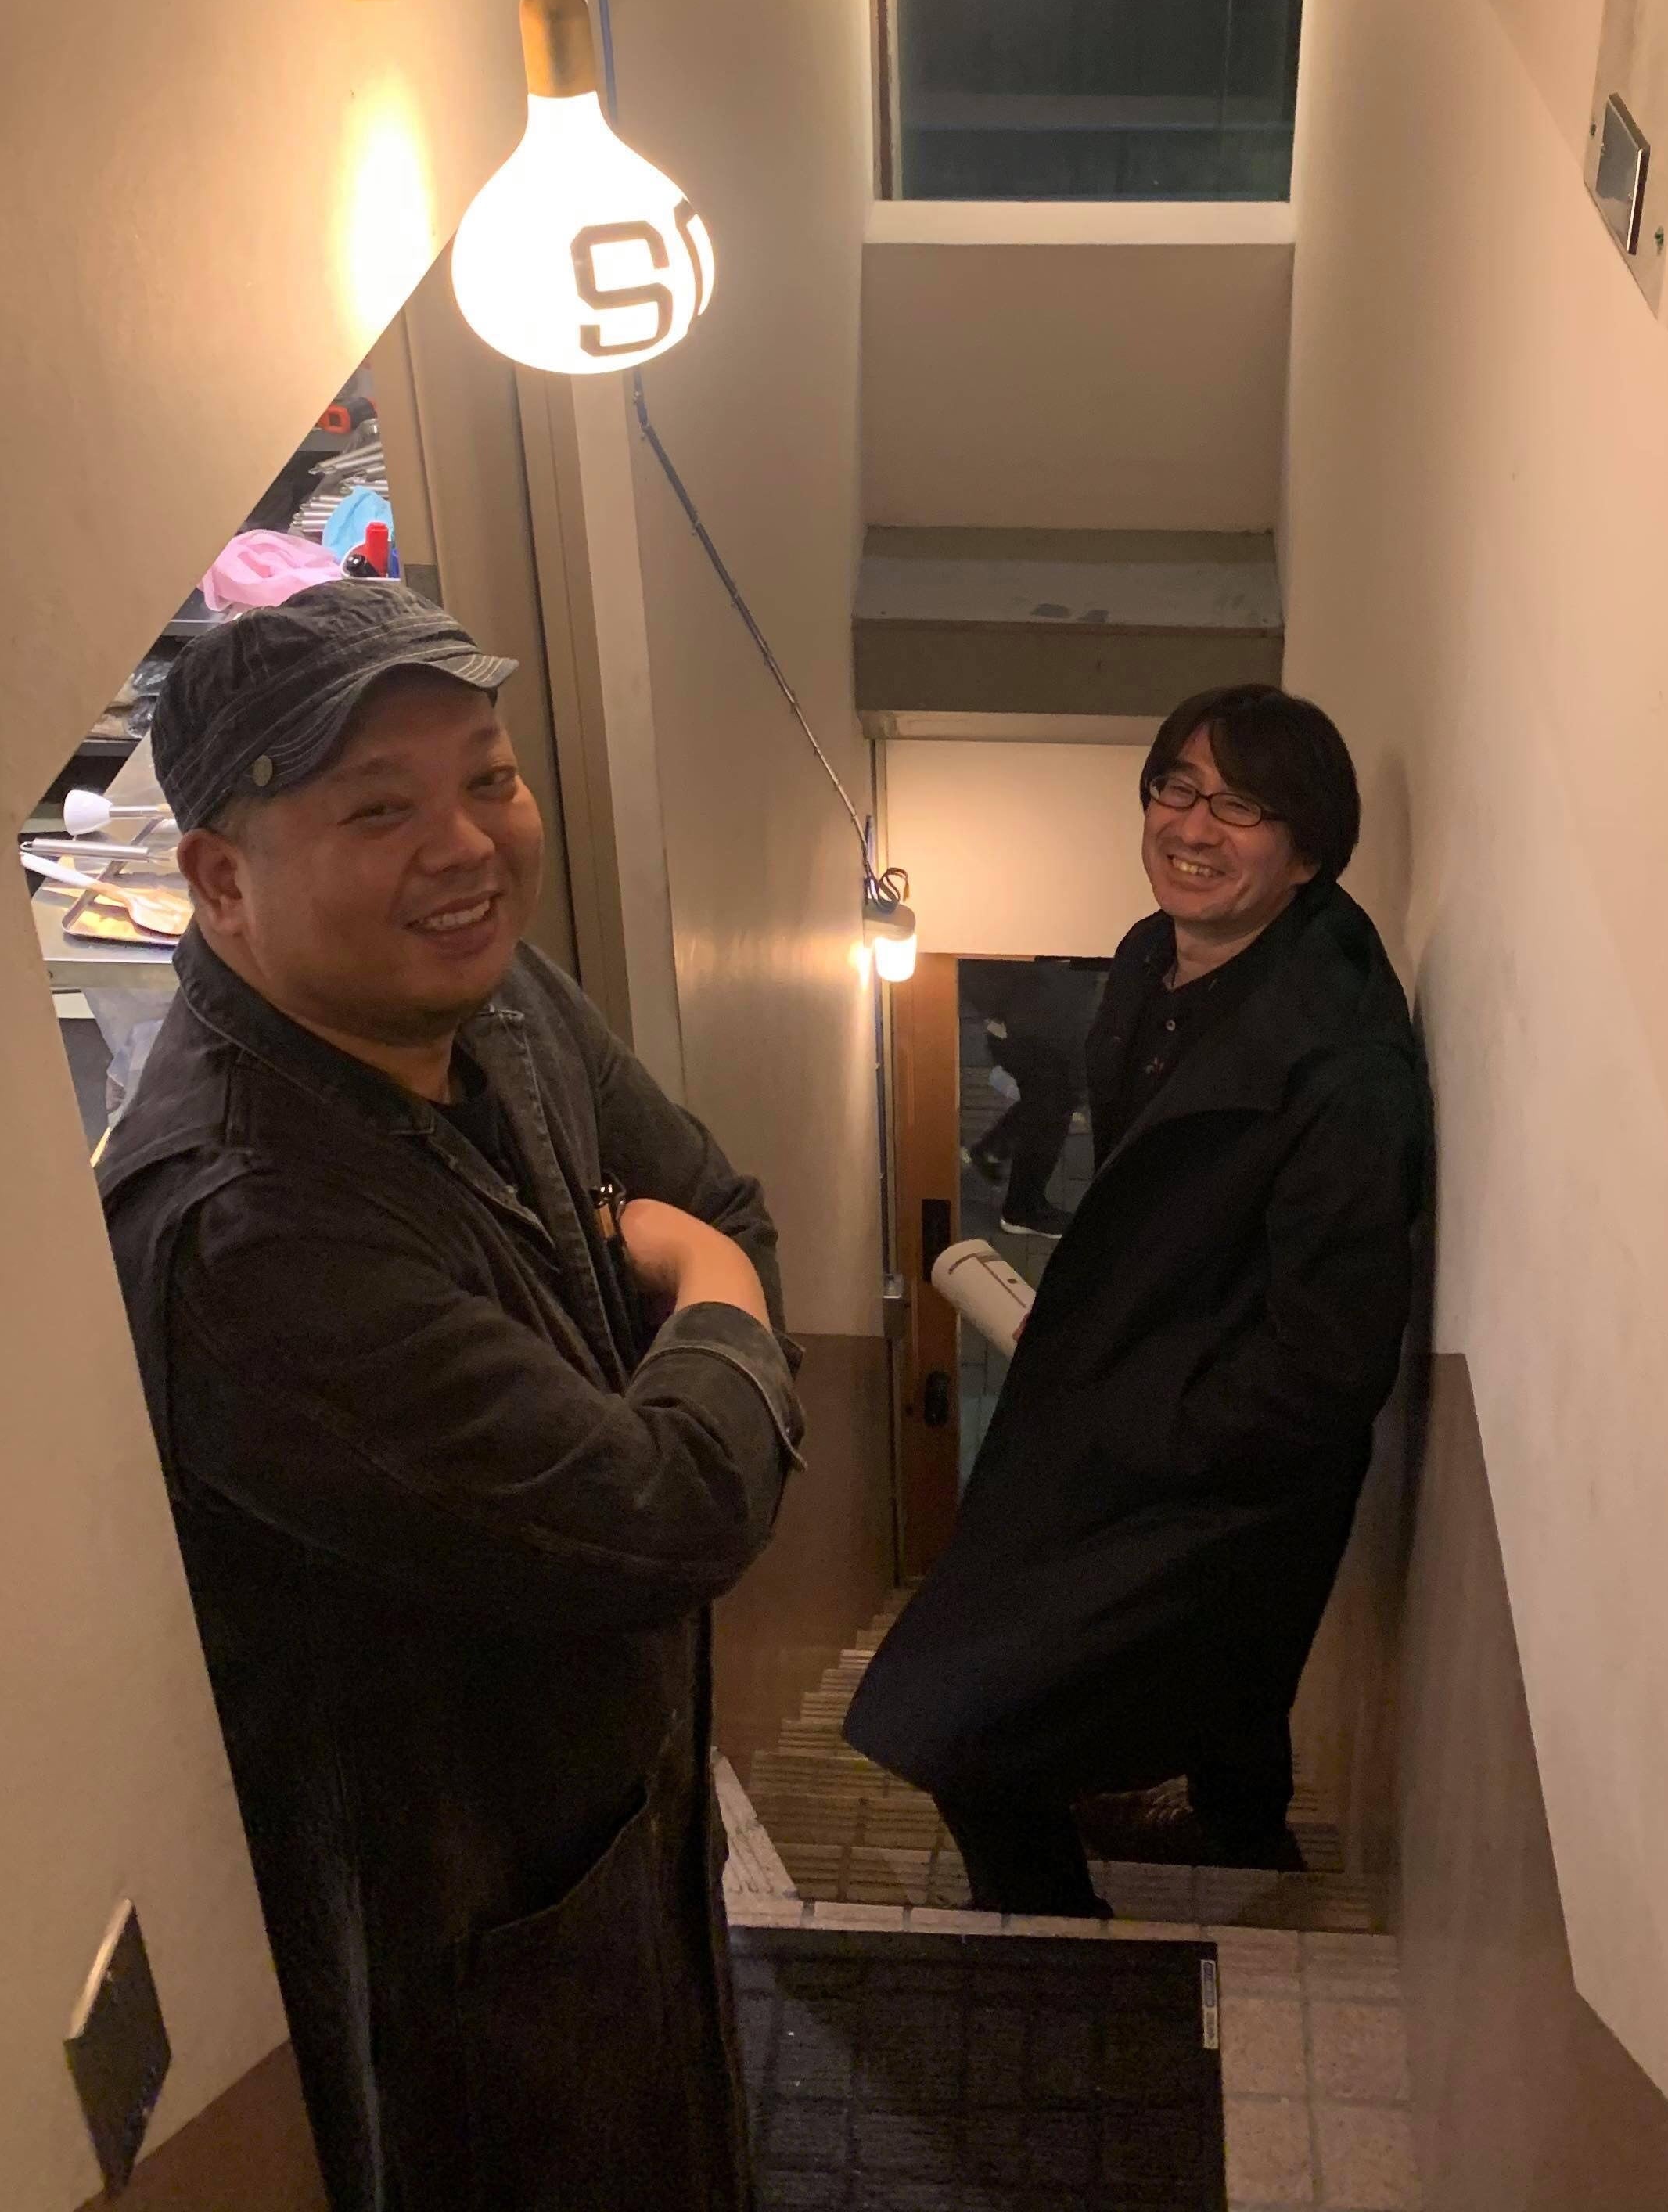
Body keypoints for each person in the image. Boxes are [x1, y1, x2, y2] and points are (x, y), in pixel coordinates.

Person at [97, 580, 802, 2212]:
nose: (467, 845)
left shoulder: (500, 997)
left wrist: (708, 1276)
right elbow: (668, 1510)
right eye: (379, 809)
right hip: (447, 1919)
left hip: (618, 1811)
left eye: (489, 777)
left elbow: (725, 1203)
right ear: (220, 879)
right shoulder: (248, 1232)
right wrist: (706, 1285)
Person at [845, 683, 1427, 1915]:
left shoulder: (1345, 1067)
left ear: (1309, 851)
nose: (1194, 827)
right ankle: (1241, 1848)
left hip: (1218, 1468)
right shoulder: (1148, 963)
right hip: (1135, 1401)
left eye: (1244, 806)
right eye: (1177, 787)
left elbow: (1331, 1360)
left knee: (962, 1724)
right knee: (1210, 1704)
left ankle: (1061, 1953)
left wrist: (1144, 1421)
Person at [963, 957, 1104, 1239]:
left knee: (1049, 1096)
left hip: (1035, 1001)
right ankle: (1023, 1208)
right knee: (1054, 1099)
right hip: (1034, 1007)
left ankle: (993, 1151)